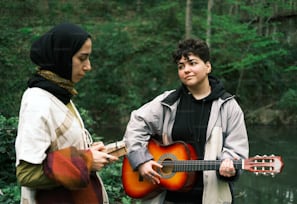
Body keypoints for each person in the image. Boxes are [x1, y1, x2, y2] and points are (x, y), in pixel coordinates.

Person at [123, 38, 249, 204]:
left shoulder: (228, 107)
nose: (186, 70)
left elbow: (236, 149)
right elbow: (136, 122)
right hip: (167, 197)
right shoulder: (168, 102)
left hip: (210, 197)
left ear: (208, 66)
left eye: (192, 63)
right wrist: (142, 161)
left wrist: (229, 163)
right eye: (181, 66)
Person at [15, 23, 118, 204]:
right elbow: (27, 173)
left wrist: (89, 153)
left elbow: (63, 152)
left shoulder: (60, 94)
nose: (88, 67)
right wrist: (86, 160)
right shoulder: (38, 101)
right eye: (82, 58)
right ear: (62, 57)